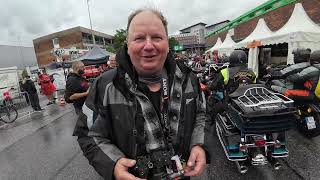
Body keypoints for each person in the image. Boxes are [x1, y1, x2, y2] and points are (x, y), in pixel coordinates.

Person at [73, 8, 210, 180]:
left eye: (156, 37)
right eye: (139, 38)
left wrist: (198, 145)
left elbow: (202, 115)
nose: (148, 46)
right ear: (128, 45)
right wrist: (113, 165)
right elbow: (87, 134)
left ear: (167, 44)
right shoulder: (105, 85)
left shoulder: (188, 79)